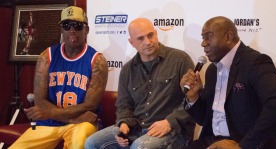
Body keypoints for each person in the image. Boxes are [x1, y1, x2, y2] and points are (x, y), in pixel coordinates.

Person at [180, 16, 276, 149]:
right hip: (212, 141)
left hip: (246, 142)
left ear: (228, 37)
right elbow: (204, 119)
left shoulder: (255, 62)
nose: (203, 43)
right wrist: (193, 96)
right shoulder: (212, 70)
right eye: (202, 38)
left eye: (208, 37)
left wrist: (243, 146)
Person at [85, 18, 195, 149]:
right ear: (131, 43)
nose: (147, 42)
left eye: (150, 35)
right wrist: (123, 124)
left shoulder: (180, 60)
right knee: (92, 143)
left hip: (174, 130)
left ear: (156, 33)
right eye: (140, 39)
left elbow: (192, 101)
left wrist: (170, 122)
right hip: (137, 128)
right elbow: (124, 105)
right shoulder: (127, 70)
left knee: (139, 146)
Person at [9, 6, 108, 149]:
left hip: (82, 123)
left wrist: (48, 113)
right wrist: (70, 117)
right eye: (67, 25)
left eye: (78, 25)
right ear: (61, 30)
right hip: (53, 122)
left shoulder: (97, 61)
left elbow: (89, 105)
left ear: (86, 30)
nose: (72, 30)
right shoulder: (46, 56)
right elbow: (40, 101)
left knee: (79, 143)